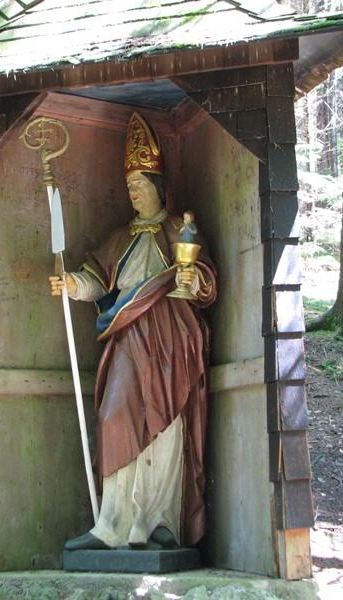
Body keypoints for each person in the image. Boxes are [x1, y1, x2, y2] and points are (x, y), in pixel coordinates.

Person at [49, 112, 217, 550]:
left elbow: (204, 282)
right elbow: (96, 280)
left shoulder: (180, 229)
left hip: (172, 337)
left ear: (159, 188)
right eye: (129, 187)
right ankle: (112, 525)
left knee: (167, 424)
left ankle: (160, 522)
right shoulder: (120, 237)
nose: (134, 192)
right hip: (128, 335)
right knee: (115, 417)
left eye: (141, 185)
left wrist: (190, 280)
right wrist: (71, 284)